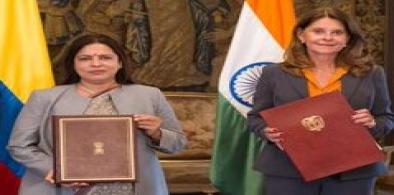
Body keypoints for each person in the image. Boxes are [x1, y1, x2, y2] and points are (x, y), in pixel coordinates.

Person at [7, 34, 187, 195]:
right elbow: (19, 146)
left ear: (120, 62)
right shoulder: (44, 98)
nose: (96, 64)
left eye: (105, 57)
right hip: (62, 188)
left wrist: (157, 133)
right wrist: (54, 169)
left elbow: (178, 143)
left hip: (134, 188)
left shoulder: (149, 95)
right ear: (73, 64)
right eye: (85, 58)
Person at [247, 7, 394, 195]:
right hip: (288, 169)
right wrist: (266, 131)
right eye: (318, 31)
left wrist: (373, 122)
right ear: (301, 35)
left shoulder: (372, 73)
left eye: (337, 32)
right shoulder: (273, 74)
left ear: (347, 39)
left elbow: (386, 118)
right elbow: (255, 118)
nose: (328, 37)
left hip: (354, 171)